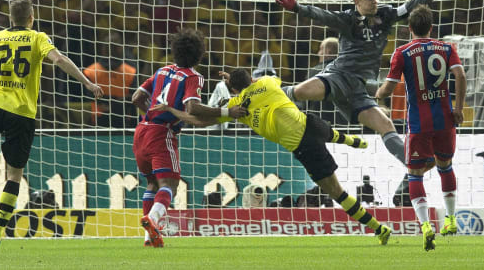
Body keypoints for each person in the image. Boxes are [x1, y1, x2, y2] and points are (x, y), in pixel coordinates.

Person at [153, 68, 392, 245]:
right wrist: (236, 81)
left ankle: (378, 228)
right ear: (250, 78)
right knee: (328, 132)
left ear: (234, 89)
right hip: (310, 124)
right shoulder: (268, 81)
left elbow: (199, 120)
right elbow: (253, 83)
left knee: (337, 193)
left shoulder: (237, 106)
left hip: (303, 146)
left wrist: (172, 110)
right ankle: (356, 142)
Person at [274, 0, 467, 168]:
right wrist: (297, 8)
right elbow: (322, 15)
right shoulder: (347, 19)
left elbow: (414, 3)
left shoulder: (386, 16)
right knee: (300, 91)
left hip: (358, 88)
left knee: (385, 124)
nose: (375, 1)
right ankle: (258, 95)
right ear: (357, 2)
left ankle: (412, 166)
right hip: (339, 76)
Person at [0, 0, 103, 257]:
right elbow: (60, 59)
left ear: (11, 18)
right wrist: (86, 83)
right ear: (31, 18)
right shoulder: (37, 37)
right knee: (14, 176)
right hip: (21, 113)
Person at [130, 28, 247, 248]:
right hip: (162, 133)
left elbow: (136, 97)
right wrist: (224, 113)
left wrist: (149, 115)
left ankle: (148, 237)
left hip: (141, 131)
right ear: (199, 55)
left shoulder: (161, 71)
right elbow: (192, 107)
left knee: (152, 183)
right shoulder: (193, 76)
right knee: (170, 185)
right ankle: (153, 220)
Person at [374, 5, 467, 251]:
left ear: (409, 28)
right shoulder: (447, 48)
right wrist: (458, 107)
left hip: (418, 123)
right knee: (445, 167)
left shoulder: (402, 52)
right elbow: (461, 75)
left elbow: (389, 87)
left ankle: (426, 226)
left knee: (415, 174)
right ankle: (450, 220)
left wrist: (377, 94)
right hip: (446, 120)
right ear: (432, 27)